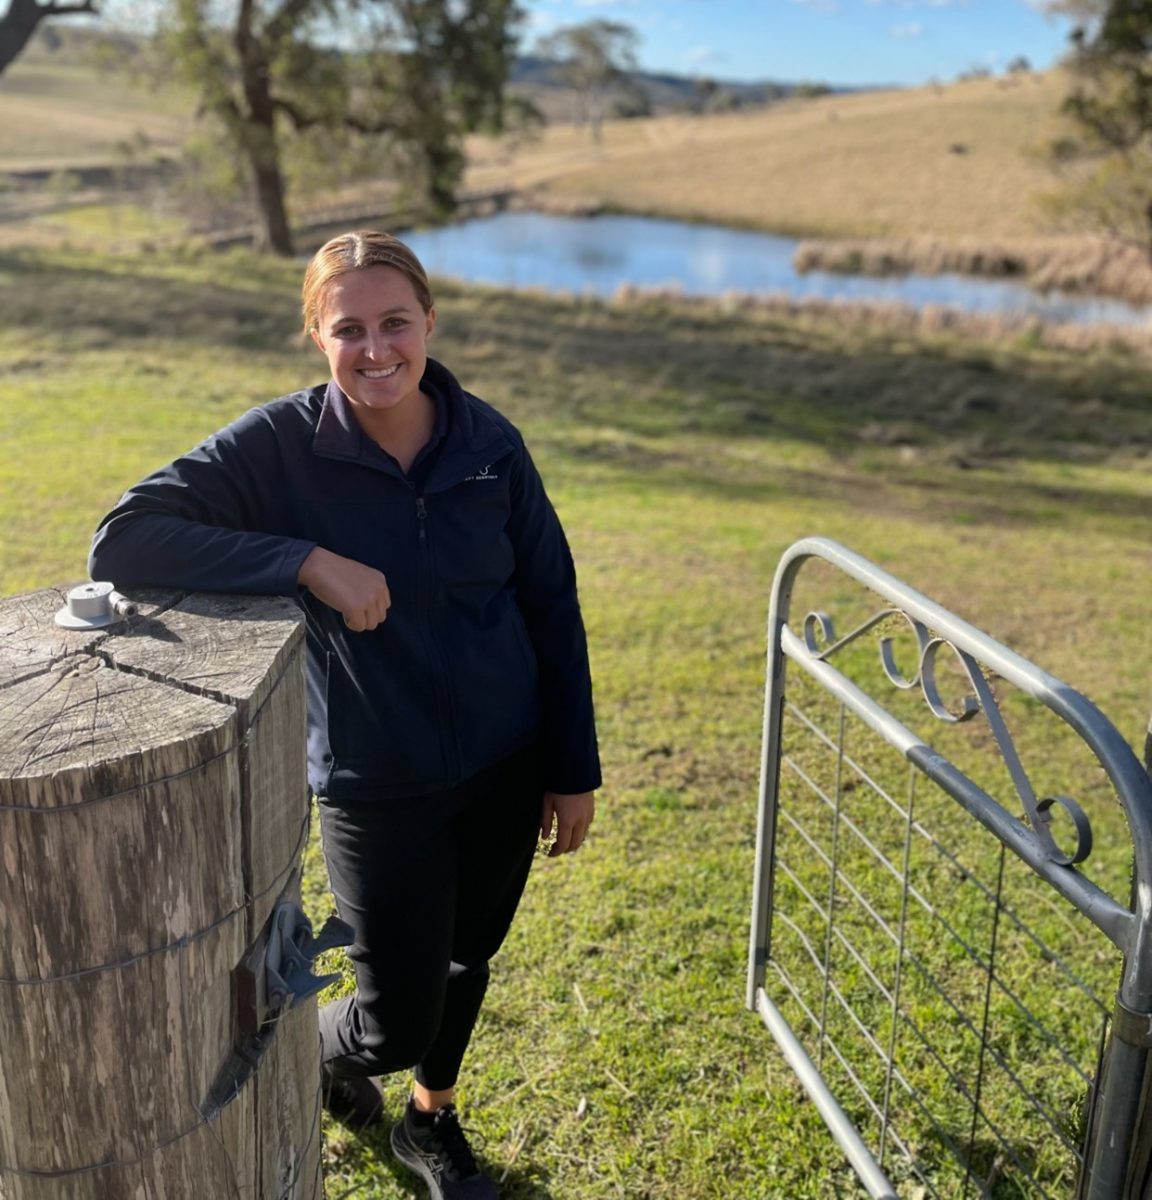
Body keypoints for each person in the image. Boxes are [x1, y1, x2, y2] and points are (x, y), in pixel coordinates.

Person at [88, 230, 600, 1200]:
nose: (377, 350)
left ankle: (429, 1120)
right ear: (316, 338)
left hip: (508, 760)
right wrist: (303, 561)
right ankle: (315, 1050)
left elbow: (551, 602)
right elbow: (124, 537)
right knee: (391, 1019)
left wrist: (572, 765)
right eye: (348, 328)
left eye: (395, 323)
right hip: (377, 776)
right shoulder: (281, 447)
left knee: (467, 957)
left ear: (430, 324)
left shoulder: (490, 444)